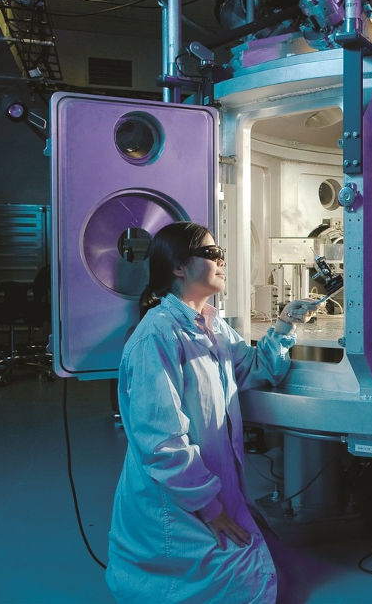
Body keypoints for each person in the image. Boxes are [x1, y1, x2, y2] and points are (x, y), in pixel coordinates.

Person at [105, 222, 315, 603]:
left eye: (221, 254)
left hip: (210, 489)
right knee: (239, 585)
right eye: (212, 254)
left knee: (270, 570)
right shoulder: (157, 336)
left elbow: (255, 370)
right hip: (176, 502)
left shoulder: (212, 326)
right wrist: (209, 507)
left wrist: (287, 322)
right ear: (179, 267)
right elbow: (162, 443)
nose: (222, 261)